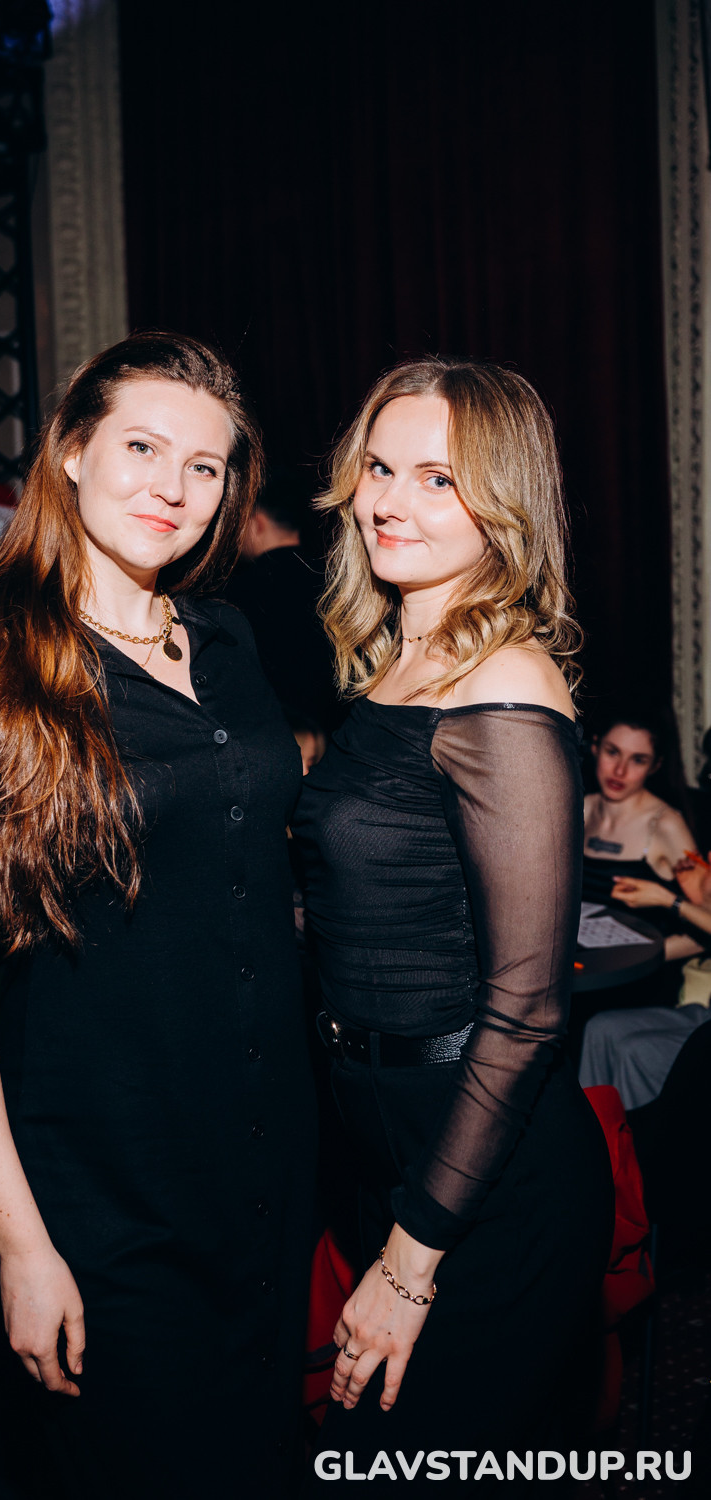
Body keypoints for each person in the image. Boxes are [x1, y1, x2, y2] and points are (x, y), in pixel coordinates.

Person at [0, 332, 316, 1500]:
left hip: (262, 1166)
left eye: (205, 466)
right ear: (71, 451)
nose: (173, 487)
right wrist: (21, 1247)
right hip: (101, 1194)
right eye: (142, 448)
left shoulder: (223, 638)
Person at [292, 357, 613, 1490]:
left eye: (437, 478)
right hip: (392, 1138)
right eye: (379, 469)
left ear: (502, 504)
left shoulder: (505, 687)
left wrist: (410, 1262)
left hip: (487, 1182)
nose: (389, 501)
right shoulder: (402, 663)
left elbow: (526, 1011)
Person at [579, 854, 711, 1108]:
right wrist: (699, 893)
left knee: (638, 1051)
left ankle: (638, 1133)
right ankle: (592, 1127)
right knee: (601, 1028)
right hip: (705, 1013)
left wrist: (669, 900)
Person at [583, 704, 702, 963]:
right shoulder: (580, 809)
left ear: (655, 766)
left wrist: (633, 961)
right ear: (595, 746)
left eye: (638, 760)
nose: (620, 771)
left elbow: (704, 930)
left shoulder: (666, 824)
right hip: (583, 966)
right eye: (613, 752)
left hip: (640, 973)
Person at [225, 469, 340, 731]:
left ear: (258, 523)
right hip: (331, 730)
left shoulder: (239, 589)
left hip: (268, 730)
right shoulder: (336, 582)